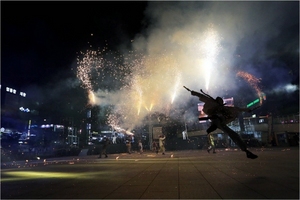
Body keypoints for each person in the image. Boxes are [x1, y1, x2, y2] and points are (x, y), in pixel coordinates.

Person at [184, 86, 258, 159]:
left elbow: (236, 109)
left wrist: (246, 110)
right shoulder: (211, 102)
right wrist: (193, 92)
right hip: (216, 120)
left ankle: (245, 150)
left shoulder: (222, 108)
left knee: (233, 134)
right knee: (232, 133)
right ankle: (245, 150)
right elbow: (200, 95)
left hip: (219, 121)